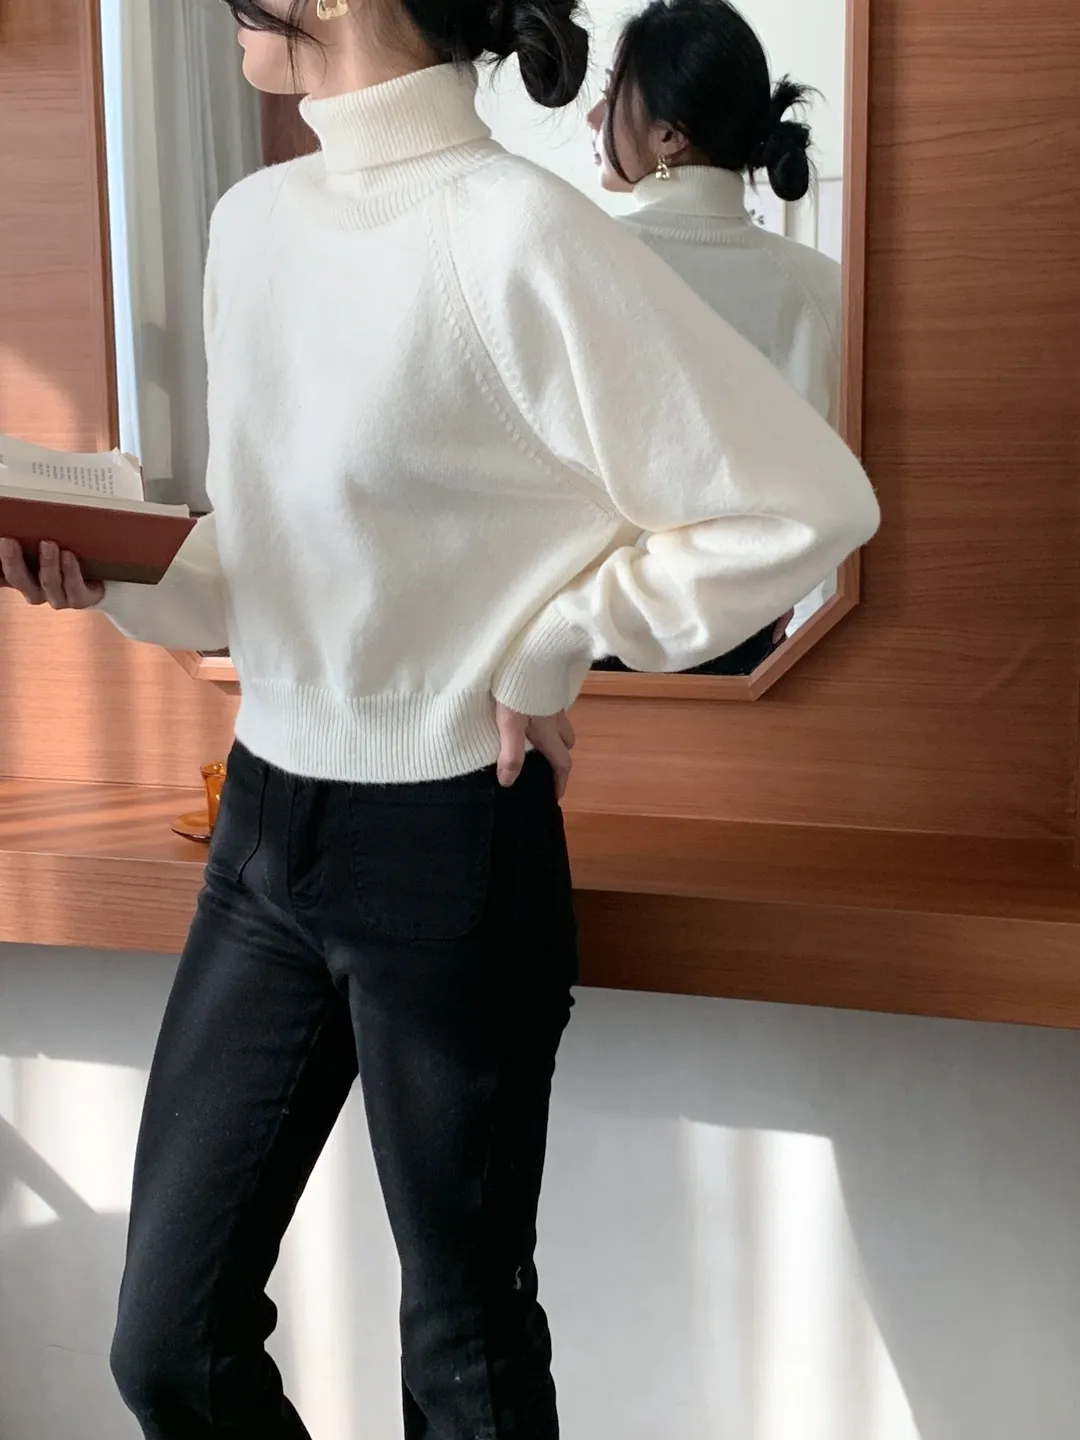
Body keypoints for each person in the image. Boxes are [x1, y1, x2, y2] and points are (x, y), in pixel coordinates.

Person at [0, 0, 879, 1431]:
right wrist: (112, 573)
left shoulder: (517, 232)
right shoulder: (252, 226)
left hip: (450, 843)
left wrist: (554, 643)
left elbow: (808, 501)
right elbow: (272, 559)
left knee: (462, 1362)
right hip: (265, 824)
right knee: (168, 1343)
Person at [588, 0, 844, 676]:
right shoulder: (825, 289)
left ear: (669, 136)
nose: (595, 115)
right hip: (756, 660)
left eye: (613, 92)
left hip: (588, 653)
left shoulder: (578, 259)